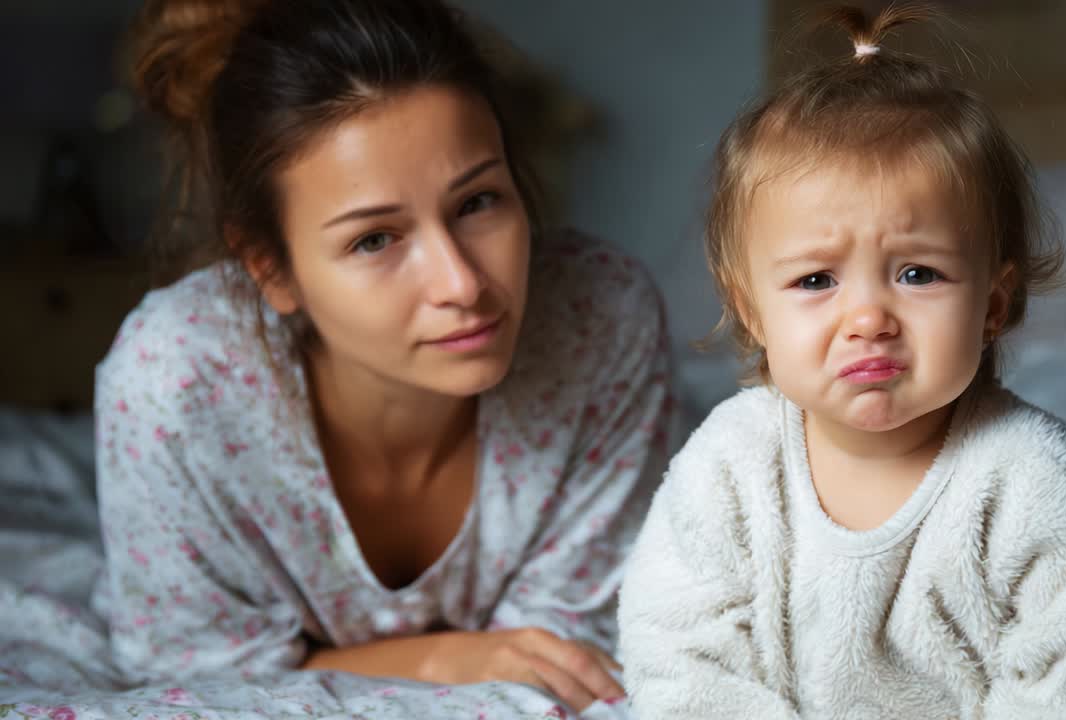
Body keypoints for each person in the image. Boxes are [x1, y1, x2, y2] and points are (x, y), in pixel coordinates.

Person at [92, 0, 676, 713]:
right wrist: (439, 657)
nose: (462, 284)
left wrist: (343, 664)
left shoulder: (601, 317)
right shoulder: (173, 383)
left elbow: (562, 653)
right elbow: (192, 673)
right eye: (375, 239)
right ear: (270, 268)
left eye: (478, 202)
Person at [618, 5, 1066, 718]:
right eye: (817, 281)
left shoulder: (1030, 480)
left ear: (993, 307)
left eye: (917, 274)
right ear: (753, 312)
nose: (869, 318)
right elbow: (677, 657)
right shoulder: (728, 465)